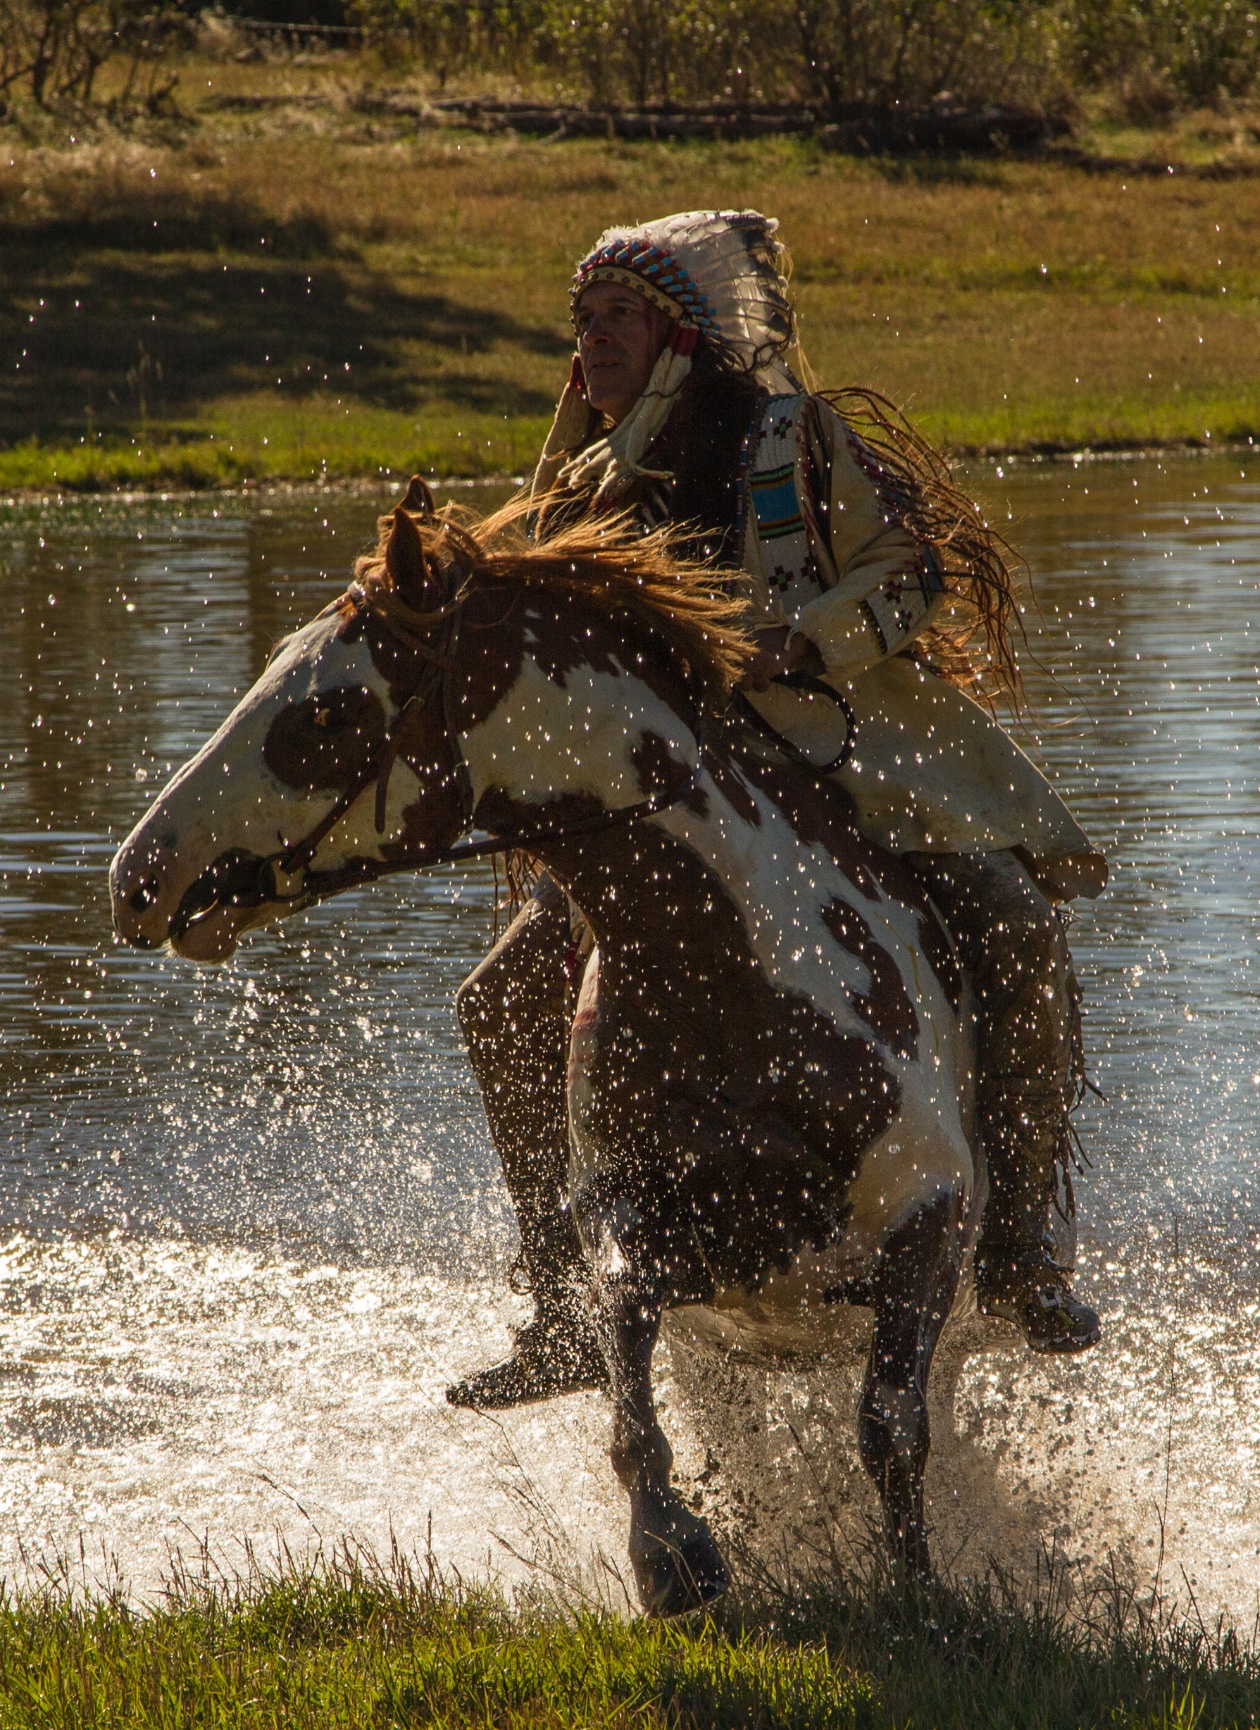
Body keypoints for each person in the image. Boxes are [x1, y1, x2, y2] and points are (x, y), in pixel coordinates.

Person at [446, 210, 1108, 1411]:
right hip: (660, 814)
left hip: (845, 774)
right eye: (579, 321)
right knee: (497, 996)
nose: (587, 342)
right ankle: (555, 1300)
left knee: (1012, 922)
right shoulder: (584, 481)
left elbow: (907, 574)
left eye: (614, 318)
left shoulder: (797, 437)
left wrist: (798, 636)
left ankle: (1015, 1245)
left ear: (681, 335)